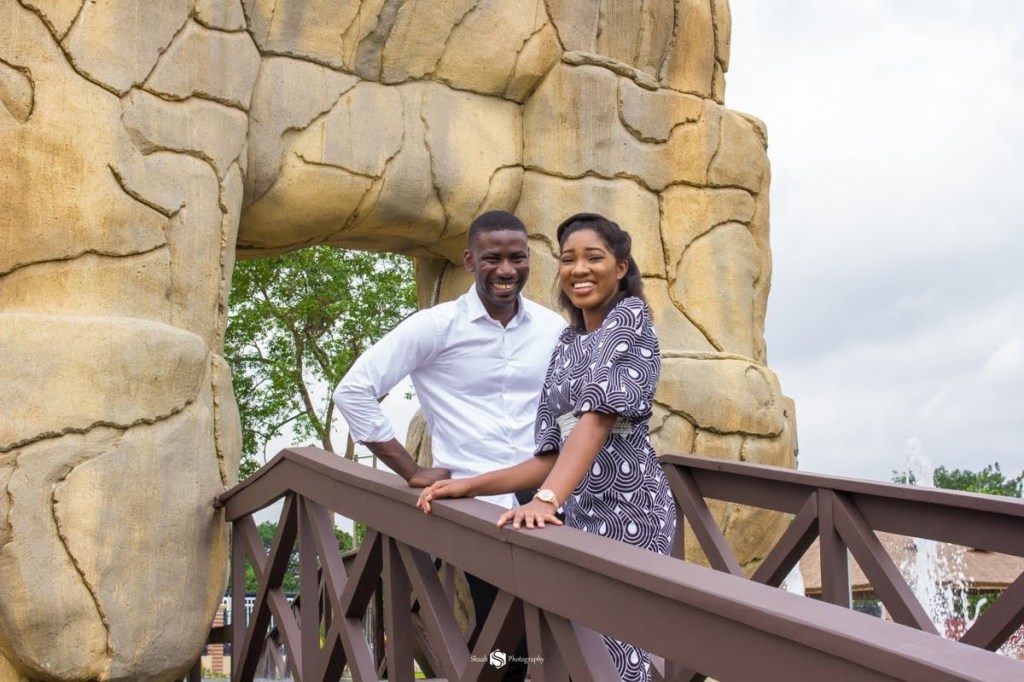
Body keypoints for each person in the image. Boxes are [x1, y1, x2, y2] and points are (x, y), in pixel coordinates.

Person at [417, 212, 676, 682]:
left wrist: (544, 499)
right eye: (568, 259)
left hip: (628, 514)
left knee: (617, 657)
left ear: (620, 267)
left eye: (593, 257)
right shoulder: (568, 342)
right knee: (560, 651)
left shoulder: (631, 319)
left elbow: (596, 421)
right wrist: (469, 485)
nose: (579, 269)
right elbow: (550, 457)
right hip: (572, 517)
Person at [334, 209, 565, 681]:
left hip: (548, 496)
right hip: (477, 504)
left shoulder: (552, 328)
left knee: (558, 629)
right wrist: (410, 471)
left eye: (517, 257)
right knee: (509, 631)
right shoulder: (436, 326)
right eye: (492, 258)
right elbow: (353, 390)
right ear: (469, 260)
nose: (506, 270)